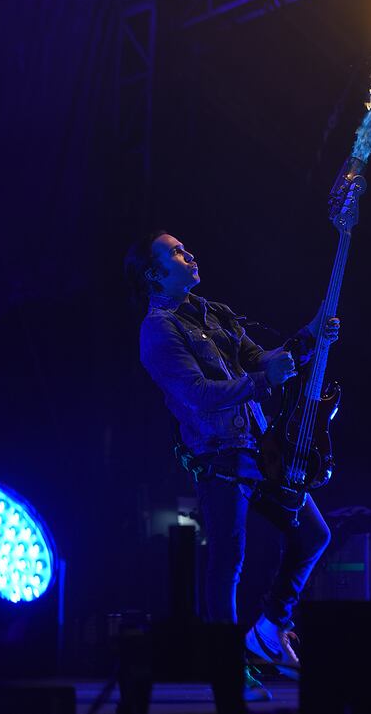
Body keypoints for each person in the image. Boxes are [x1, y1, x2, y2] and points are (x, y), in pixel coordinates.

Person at [125, 229, 340, 701]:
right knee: (228, 557)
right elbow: (199, 398)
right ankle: (227, 666)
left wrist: (308, 337)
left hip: (261, 447)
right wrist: (265, 380)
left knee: (313, 534)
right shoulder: (158, 332)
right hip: (220, 454)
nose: (190, 254)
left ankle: (270, 627)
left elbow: (260, 359)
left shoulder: (211, 311)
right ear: (154, 274)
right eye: (177, 252)